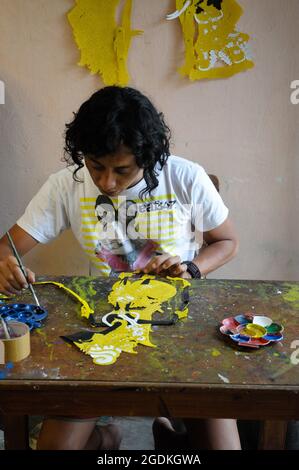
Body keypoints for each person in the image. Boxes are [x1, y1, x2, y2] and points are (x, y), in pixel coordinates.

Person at [0, 86, 239, 449]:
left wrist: (190, 268)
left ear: (149, 156)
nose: (107, 183)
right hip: (106, 323)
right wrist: (5, 264)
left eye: (122, 170)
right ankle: (107, 433)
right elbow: (7, 248)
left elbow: (226, 242)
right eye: (96, 166)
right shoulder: (67, 185)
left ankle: (166, 430)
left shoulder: (185, 177)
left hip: (179, 323)